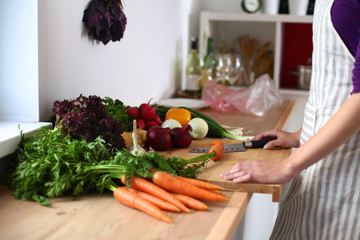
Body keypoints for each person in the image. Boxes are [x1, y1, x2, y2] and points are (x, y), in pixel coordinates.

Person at [220, 0, 360, 239]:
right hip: (317, 166)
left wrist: (286, 167)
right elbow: (336, 87)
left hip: (349, 179)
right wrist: (300, 135)